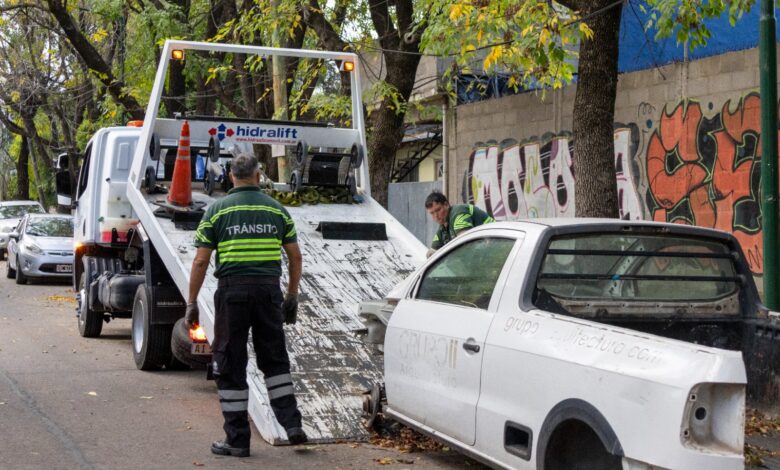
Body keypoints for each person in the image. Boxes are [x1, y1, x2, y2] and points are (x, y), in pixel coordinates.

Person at [185, 153, 307, 458]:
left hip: (232, 293)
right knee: (275, 359)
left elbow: (201, 260)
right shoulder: (277, 210)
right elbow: (295, 256)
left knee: (230, 363)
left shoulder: (216, 211)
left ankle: (237, 439)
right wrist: (291, 295)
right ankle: (292, 425)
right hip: (268, 293)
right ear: (257, 175)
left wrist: (191, 302)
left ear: (230, 177)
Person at [425, 191, 494, 252]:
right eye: (432, 213)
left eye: (438, 210)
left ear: (446, 205)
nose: (436, 216)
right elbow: (431, 253)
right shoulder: (443, 226)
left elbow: (465, 243)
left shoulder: (458, 213)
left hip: (496, 242)